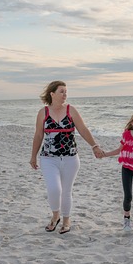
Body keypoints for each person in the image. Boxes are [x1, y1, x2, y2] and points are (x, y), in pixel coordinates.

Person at [30, 80, 104, 234]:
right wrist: (33, 156)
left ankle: (66, 219)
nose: (65, 94)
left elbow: (83, 129)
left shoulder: (71, 110)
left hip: (71, 158)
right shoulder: (43, 113)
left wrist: (94, 146)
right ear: (52, 94)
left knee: (66, 191)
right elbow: (38, 135)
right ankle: (55, 215)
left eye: (66, 91)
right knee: (54, 188)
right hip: (48, 158)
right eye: (61, 91)